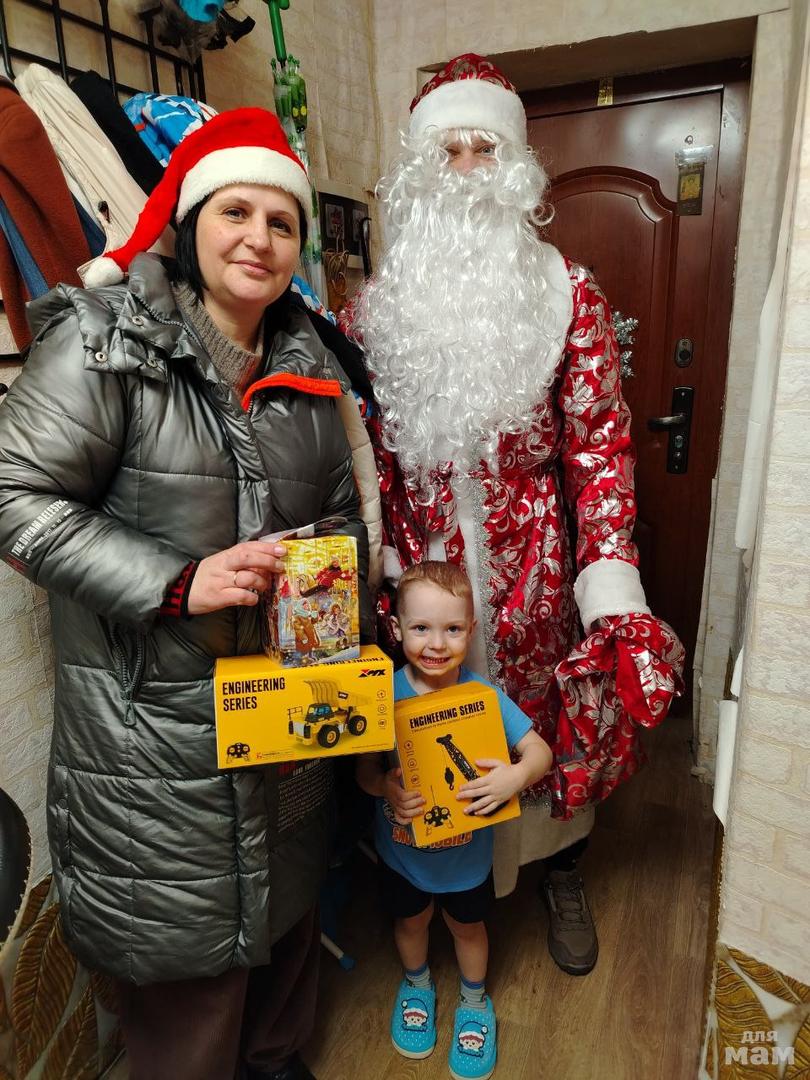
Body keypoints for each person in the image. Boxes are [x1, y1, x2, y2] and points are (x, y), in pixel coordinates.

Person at [0, 108, 374, 1080]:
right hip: (153, 751)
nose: (259, 238)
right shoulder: (105, 340)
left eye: (282, 222)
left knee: (284, 943)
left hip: (285, 725)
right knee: (189, 999)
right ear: (191, 220)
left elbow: (341, 518)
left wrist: (328, 595)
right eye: (235, 211)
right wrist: (179, 581)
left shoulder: (310, 364)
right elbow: (13, 496)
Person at [351, 54, 662, 977]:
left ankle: (560, 869)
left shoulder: (570, 294)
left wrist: (610, 585)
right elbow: (363, 459)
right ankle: (435, 887)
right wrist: (372, 570)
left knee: (542, 722)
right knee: (429, 729)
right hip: (423, 578)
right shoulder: (374, 312)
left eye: (485, 148)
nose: (466, 168)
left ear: (517, 165)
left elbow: (600, 449)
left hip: (537, 574)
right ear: (419, 171)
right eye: (446, 150)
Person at [356, 561, 551, 1079]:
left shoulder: (484, 696)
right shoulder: (382, 694)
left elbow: (540, 752)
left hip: (466, 861)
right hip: (402, 855)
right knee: (410, 921)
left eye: (452, 629)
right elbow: (363, 772)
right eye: (421, 627)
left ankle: (474, 1001)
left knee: (468, 928)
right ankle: (417, 984)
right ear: (398, 628)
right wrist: (384, 786)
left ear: (471, 629)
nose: (437, 644)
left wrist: (516, 776)